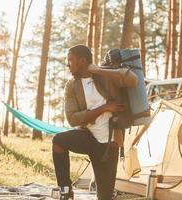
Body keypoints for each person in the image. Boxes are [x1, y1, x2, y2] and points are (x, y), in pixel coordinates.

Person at [52, 44, 138, 200]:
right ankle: (65, 191)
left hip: (109, 145)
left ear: (82, 60)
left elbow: (133, 79)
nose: (68, 64)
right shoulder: (71, 86)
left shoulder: (105, 78)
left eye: (71, 60)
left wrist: (98, 70)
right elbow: (72, 119)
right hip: (89, 138)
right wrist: (105, 108)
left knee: (104, 197)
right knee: (59, 141)